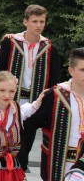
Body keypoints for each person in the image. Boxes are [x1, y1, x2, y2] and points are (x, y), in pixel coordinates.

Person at [0, 5, 61, 171]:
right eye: (34, 21)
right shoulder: (11, 43)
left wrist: (45, 105)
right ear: (25, 22)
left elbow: (54, 80)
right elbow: (0, 70)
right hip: (11, 99)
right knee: (7, 137)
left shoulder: (49, 48)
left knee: (27, 138)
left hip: (35, 102)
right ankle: (10, 170)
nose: (38, 25)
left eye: (42, 21)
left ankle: (20, 169)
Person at [19, 47, 84, 180]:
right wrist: (20, 159)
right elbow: (29, 126)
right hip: (60, 163)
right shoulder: (55, 95)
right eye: (82, 70)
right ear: (71, 70)